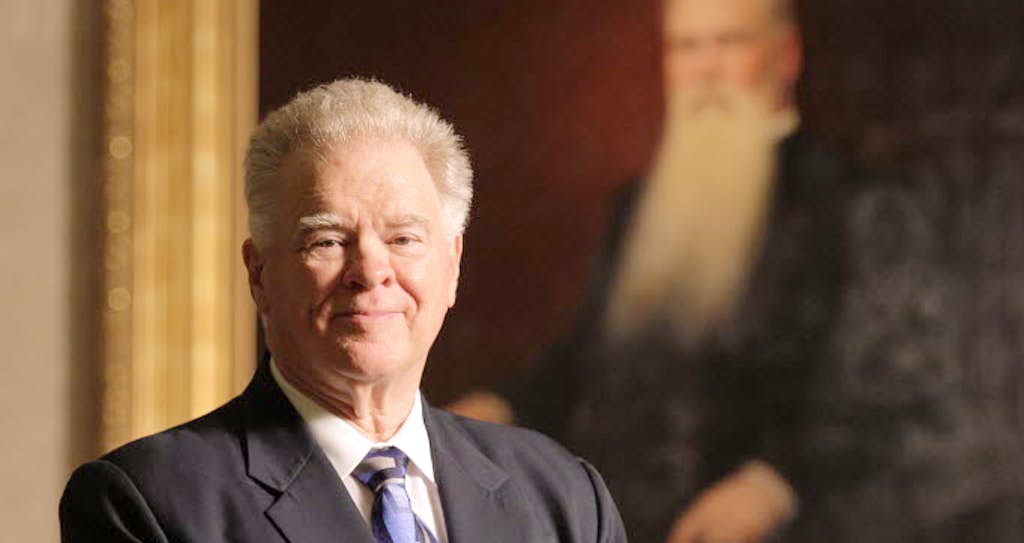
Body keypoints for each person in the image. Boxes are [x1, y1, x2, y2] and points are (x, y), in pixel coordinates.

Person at [451, 0, 950, 542]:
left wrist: (772, 487)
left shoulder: (859, 207)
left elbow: (890, 403)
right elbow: (585, 361)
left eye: (730, 42)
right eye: (686, 47)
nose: (705, 69)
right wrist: (497, 407)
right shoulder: (638, 207)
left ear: (786, 56)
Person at [59, 78, 627, 543]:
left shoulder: (565, 498)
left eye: (403, 239)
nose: (371, 270)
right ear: (259, 273)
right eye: (327, 240)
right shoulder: (147, 503)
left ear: (452, 266)